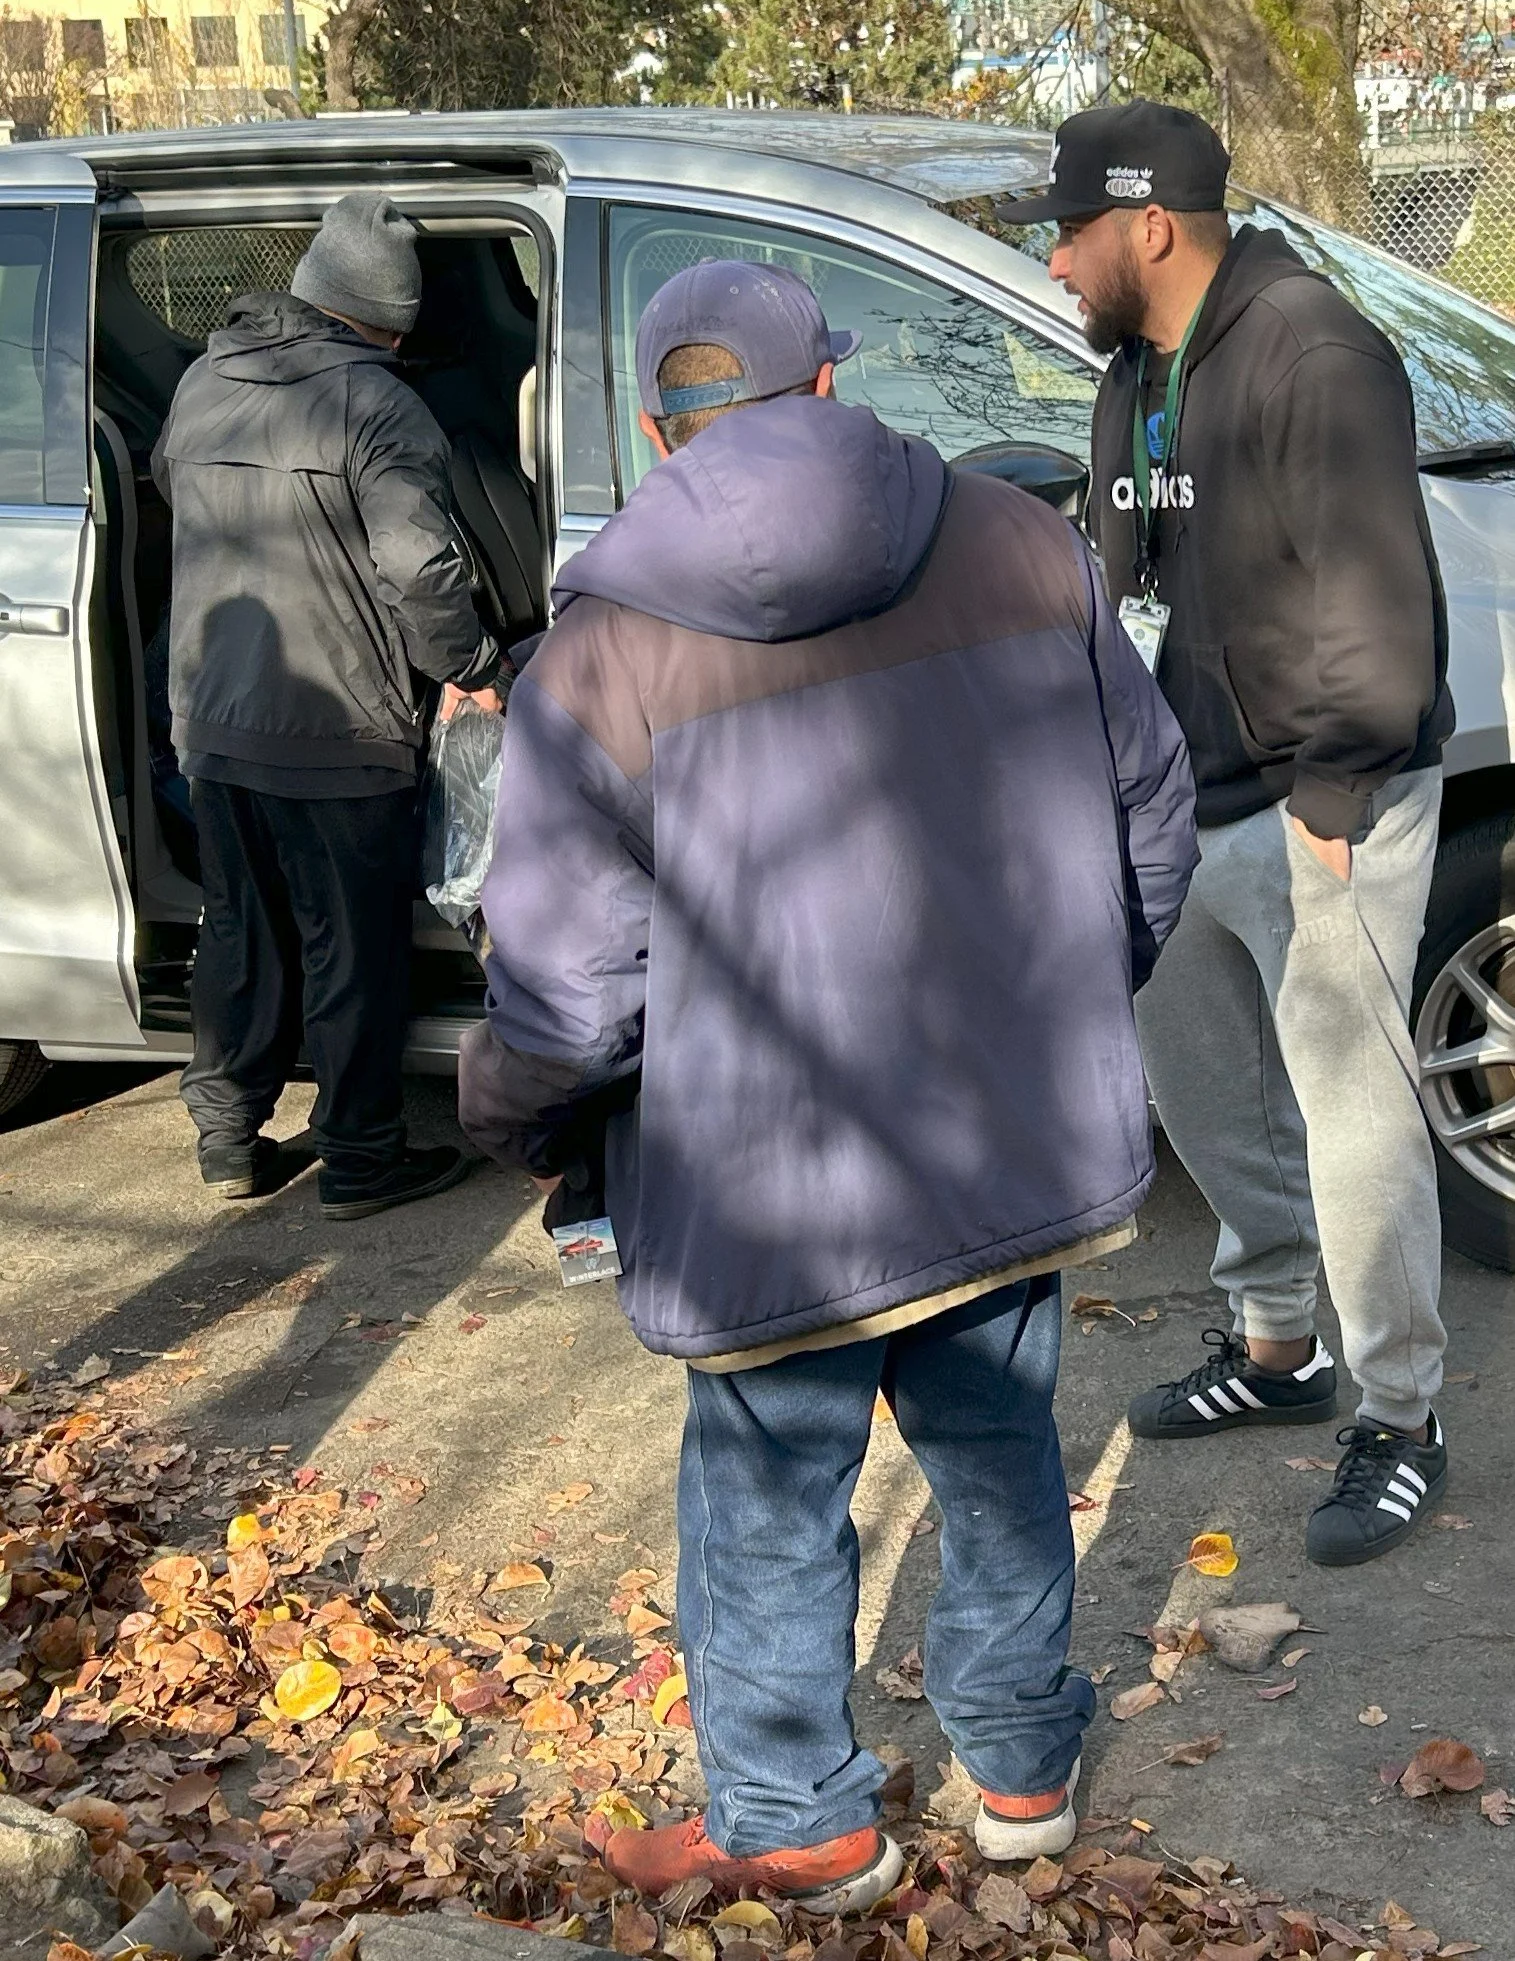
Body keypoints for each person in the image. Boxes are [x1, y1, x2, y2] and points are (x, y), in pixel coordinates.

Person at [459, 259, 1197, 1905]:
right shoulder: (1024, 541)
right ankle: (1020, 1777)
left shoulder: (603, 650)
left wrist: (518, 1126)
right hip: (1005, 1141)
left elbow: (571, 997)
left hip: (766, 1183)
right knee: (1000, 1452)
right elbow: (1153, 811)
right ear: (826, 391)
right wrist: (1063, 1012)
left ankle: (800, 1819)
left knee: (769, 1497)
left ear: (661, 430)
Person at [1005, 99, 1455, 1566]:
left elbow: (1377, 595)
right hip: (1176, 795)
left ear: (1144, 224)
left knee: (1349, 1117)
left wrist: (1334, 793)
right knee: (1201, 1089)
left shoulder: (1308, 350)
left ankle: (1397, 1415)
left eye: (1067, 233)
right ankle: (1278, 1352)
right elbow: (1124, 571)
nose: (1055, 263)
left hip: (1319, 800)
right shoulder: (1133, 368)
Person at [154, 190, 503, 1220]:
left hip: (214, 718)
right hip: (339, 731)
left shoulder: (205, 378)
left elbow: (177, 495)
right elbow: (421, 570)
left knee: (239, 927)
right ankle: (359, 1158)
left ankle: (225, 1131)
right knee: (349, 949)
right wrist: (473, 662)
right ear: (393, 319)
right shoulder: (378, 405)